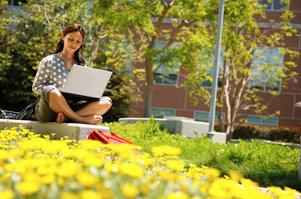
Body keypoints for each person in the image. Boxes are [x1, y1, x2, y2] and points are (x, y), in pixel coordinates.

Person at [32, 23, 112, 125]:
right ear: (63, 37)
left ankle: (67, 117)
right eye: (70, 39)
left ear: (81, 44)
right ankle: (79, 119)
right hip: (49, 108)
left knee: (107, 102)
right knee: (52, 91)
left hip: (72, 106)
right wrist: (58, 92)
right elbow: (36, 87)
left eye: (78, 42)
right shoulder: (49, 60)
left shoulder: (82, 65)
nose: (73, 44)